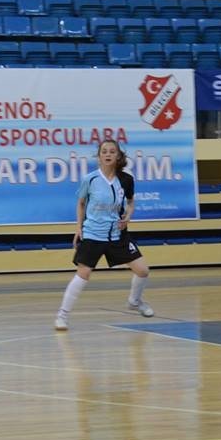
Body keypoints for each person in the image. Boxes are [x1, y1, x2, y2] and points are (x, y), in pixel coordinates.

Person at [55, 139, 153, 331]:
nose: (108, 154)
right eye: (104, 152)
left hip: (118, 234)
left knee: (143, 270)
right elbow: (81, 203)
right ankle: (62, 315)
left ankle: (134, 301)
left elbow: (131, 203)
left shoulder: (126, 179)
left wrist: (129, 215)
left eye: (112, 151)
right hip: (93, 233)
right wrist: (79, 228)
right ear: (98, 156)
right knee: (83, 273)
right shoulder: (90, 179)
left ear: (118, 156)